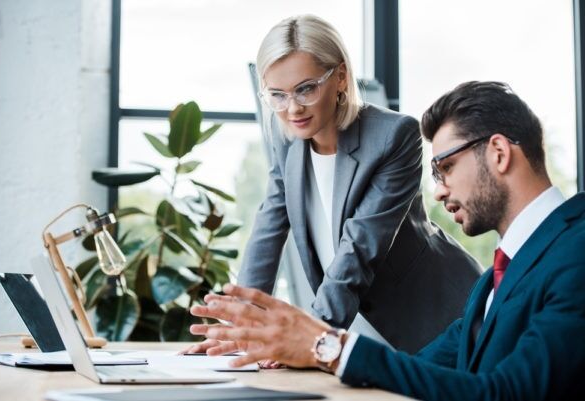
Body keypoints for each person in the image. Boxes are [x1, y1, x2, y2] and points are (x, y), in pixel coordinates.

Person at [188, 81, 585, 400]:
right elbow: (419, 372)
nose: (440, 191)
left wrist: (327, 345)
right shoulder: (491, 284)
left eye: (446, 167)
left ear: (498, 153)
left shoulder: (577, 251)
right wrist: (296, 348)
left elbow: (506, 393)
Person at [186, 14, 481, 357]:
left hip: (432, 322)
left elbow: (359, 250)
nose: (292, 108)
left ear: (340, 76)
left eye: (306, 89)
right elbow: (268, 230)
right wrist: (240, 329)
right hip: (351, 329)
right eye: (277, 95)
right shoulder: (287, 139)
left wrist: (305, 341)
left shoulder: (393, 136)